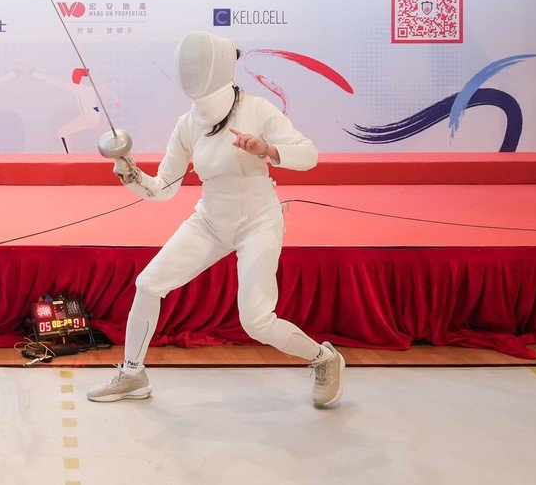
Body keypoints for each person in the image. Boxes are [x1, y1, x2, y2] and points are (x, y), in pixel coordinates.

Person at [87, 31, 345, 408]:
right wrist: (131, 174)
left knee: (257, 321)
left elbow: (308, 155)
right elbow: (164, 189)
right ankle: (133, 374)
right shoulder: (188, 124)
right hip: (210, 221)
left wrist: (267, 149)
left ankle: (324, 358)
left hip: (258, 222)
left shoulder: (257, 109)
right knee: (148, 284)